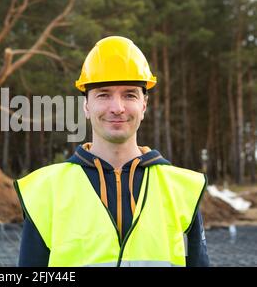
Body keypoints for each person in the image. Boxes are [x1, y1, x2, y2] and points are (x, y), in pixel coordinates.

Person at [14, 36, 209, 267]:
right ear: (86, 105)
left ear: (144, 105)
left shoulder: (181, 190)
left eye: (129, 95)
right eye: (104, 94)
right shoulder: (46, 191)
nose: (117, 108)